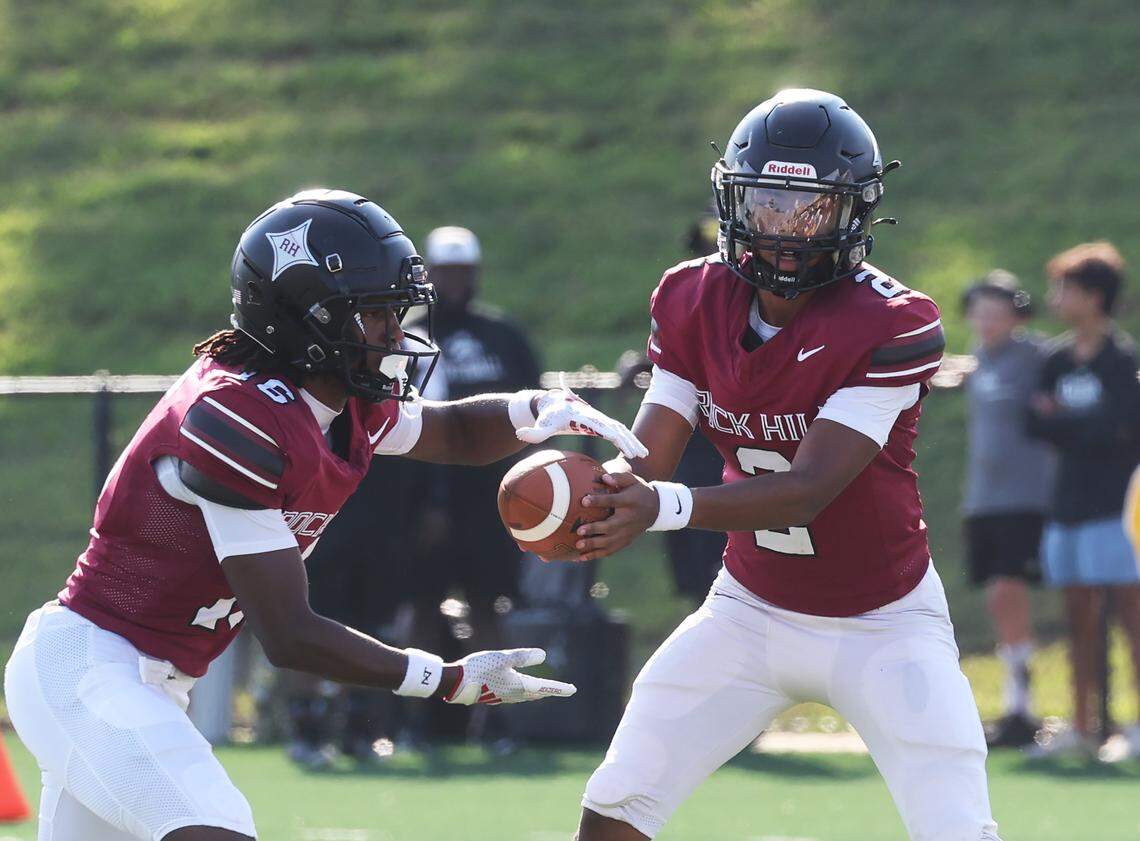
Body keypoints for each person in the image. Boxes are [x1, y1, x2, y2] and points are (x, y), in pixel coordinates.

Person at [2, 188, 648, 841]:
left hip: (153, 678)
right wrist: (446, 678)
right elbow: (289, 634)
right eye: (374, 315)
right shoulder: (235, 418)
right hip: (90, 666)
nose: (396, 335)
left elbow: (450, 433)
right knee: (216, 827)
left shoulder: (337, 397)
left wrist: (534, 412)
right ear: (305, 319)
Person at [569, 90, 1001, 841]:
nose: (787, 230)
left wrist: (664, 506)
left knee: (957, 828)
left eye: (811, 208)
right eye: (769, 203)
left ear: (854, 212)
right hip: (750, 610)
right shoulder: (691, 294)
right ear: (732, 201)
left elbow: (806, 491)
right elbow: (651, 447)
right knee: (617, 803)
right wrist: (606, 485)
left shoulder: (894, 321)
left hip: (884, 618)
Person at [1024, 242, 1140, 761]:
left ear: (1094, 297)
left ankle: (1135, 728)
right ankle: (1082, 726)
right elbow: (1033, 422)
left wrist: (1065, 423)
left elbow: (1120, 430)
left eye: (1064, 288)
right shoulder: (1054, 359)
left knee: (1131, 618)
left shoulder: (1123, 361)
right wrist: (1078, 427)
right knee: (1078, 619)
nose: (1056, 298)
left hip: (1116, 509)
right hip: (1065, 507)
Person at [960, 270, 1052, 747]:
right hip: (984, 499)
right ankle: (1016, 704)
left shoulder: (1036, 357)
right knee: (999, 597)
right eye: (979, 311)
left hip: (1024, 498)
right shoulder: (979, 361)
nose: (986, 319)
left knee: (1007, 592)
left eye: (996, 311)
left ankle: (1023, 705)